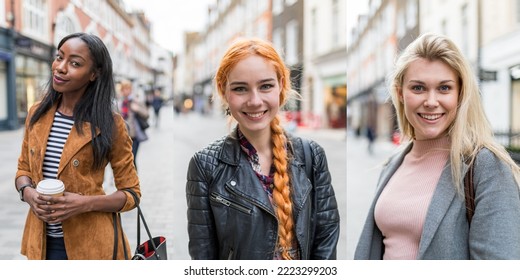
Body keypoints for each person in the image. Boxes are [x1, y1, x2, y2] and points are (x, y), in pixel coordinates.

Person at [354, 33, 520, 260]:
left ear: (460, 93)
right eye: (418, 88)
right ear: (400, 93)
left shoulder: (486, 167)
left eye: (444, 88)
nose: (431, 102)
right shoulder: (393, 164)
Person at [185, 38, 340, 260]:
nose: (255, 101)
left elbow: (326, 238)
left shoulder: (311, 155)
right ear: (224, 91)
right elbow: (203, 256)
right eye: (240, 89)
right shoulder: (205, 165)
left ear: (281, 85)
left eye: (265, 86)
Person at [14, 32, 141, 260]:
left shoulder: (110, 124)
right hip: (41, 245)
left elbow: (132, 193)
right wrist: (28, 192)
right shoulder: (37, 113)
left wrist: (85, 203)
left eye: (75, 63)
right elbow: (23, 170)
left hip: (92, 247)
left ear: (94, 74)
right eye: (59, 57)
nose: (60, 67)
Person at [119, 79, 149, 169]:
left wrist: (137, 109)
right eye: (124, 89)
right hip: (122, 136)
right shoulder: (119, 103)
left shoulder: (136, 101)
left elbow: (146, 114)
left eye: (128, 89)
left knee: (132, 159)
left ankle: (135, 181)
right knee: (124, 160)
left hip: (134, 136)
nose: (126, 91)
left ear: (131, 89)